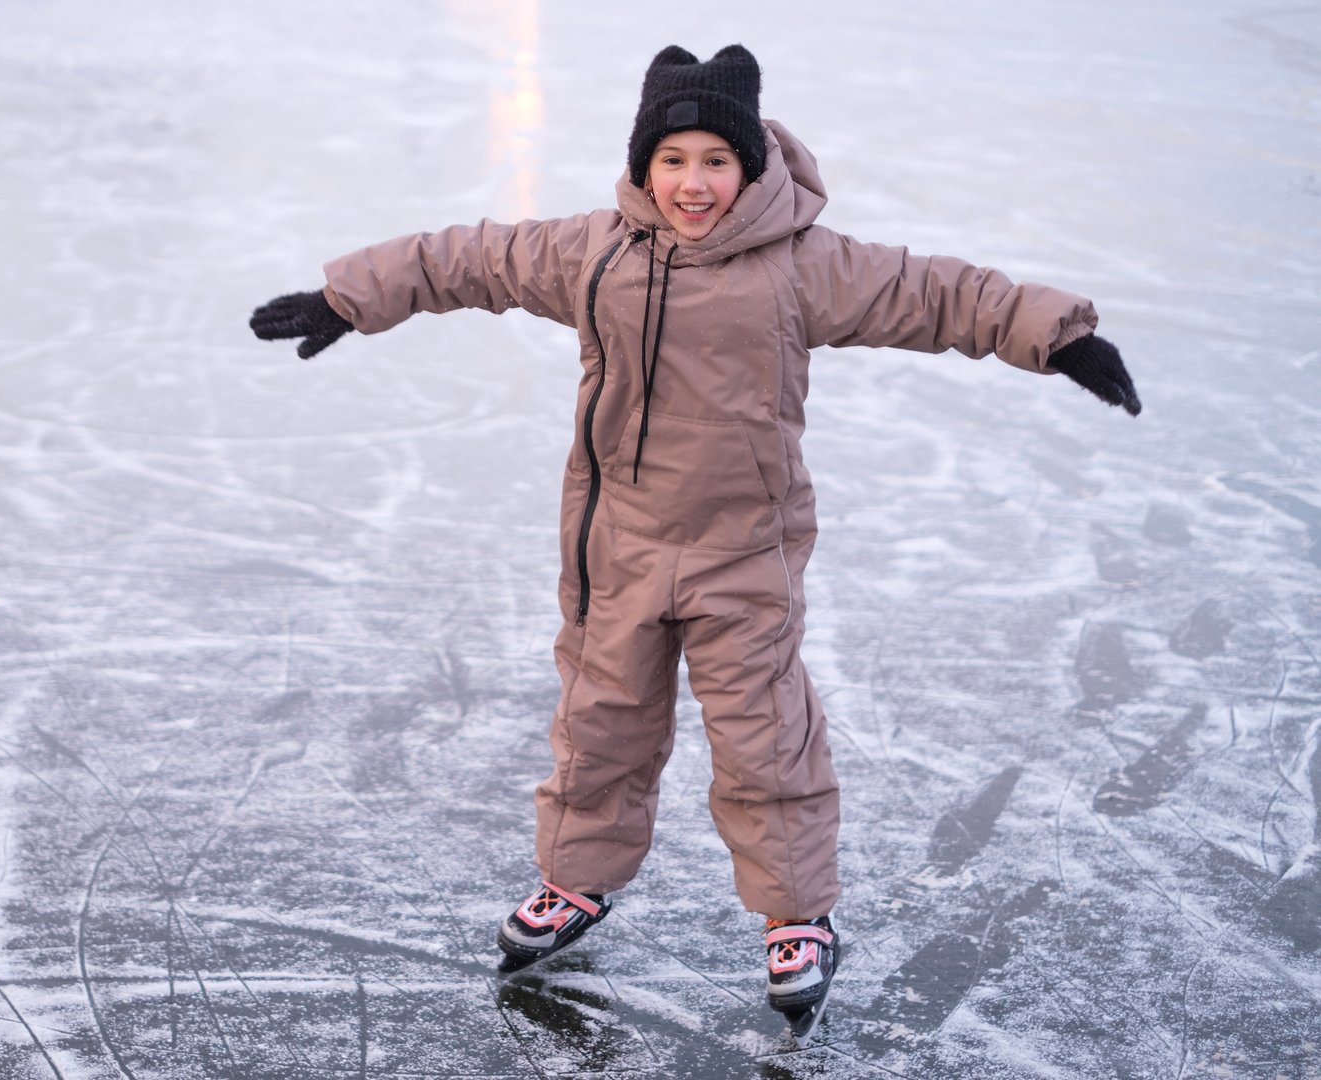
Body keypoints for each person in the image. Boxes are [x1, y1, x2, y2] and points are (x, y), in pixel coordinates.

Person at [249, 44, 1141, 1022]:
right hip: (617, 549)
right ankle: (578, 878)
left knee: (764, 736)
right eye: (673, 160)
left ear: (752, 164)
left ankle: (797, 913)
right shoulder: (596, 251)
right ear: (643, 164)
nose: (693, 182)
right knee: (600, 725)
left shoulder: (805, 263)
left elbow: (933, 294)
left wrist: (1059, 334)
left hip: (742, 553)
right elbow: (469, 259)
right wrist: (349, 296)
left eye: (716, 159)